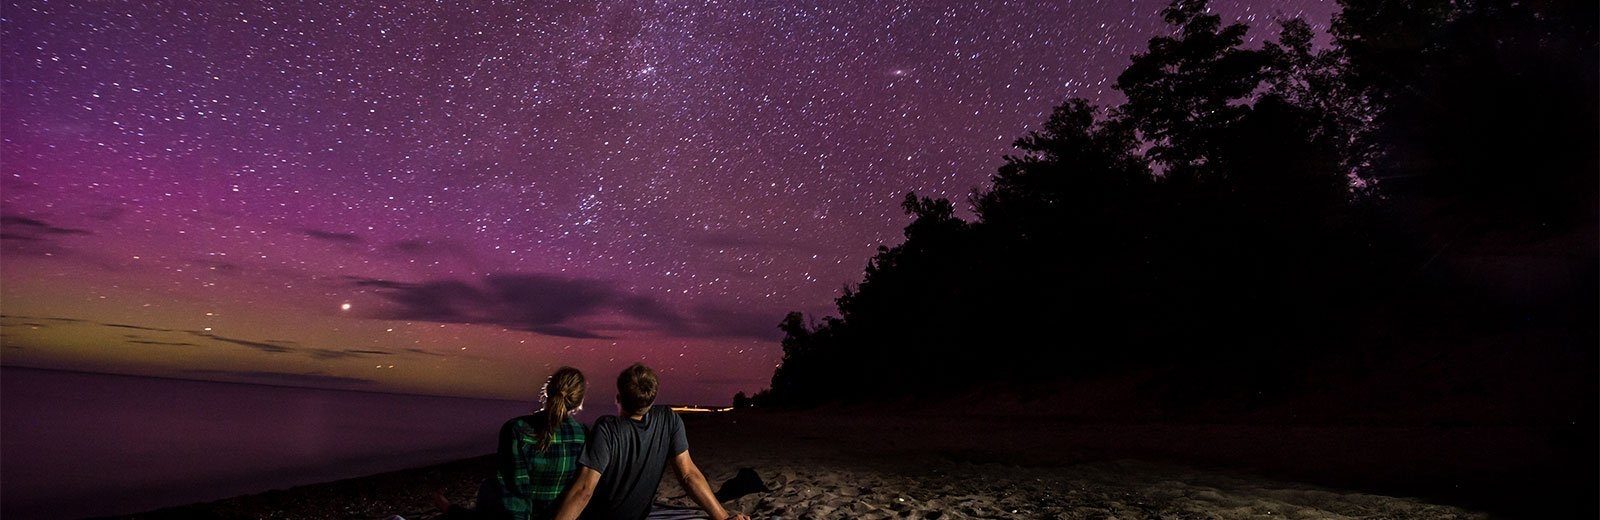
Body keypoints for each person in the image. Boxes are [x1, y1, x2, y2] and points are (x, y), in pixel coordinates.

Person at [551, 363, 748, 520]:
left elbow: (584, 490)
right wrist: (722, 517)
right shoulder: (668, 419)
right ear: (651, 400)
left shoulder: (607, 429)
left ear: (618, 398)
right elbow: (689, 475)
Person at [437, 366, 589, 520]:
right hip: (561, 515)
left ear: (547, 390)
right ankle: (449, 508)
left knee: (488, 488)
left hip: (522, 515)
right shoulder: (583, 435)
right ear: (579, 402)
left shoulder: (517, 429)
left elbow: (515, 495)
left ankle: (448, 508)